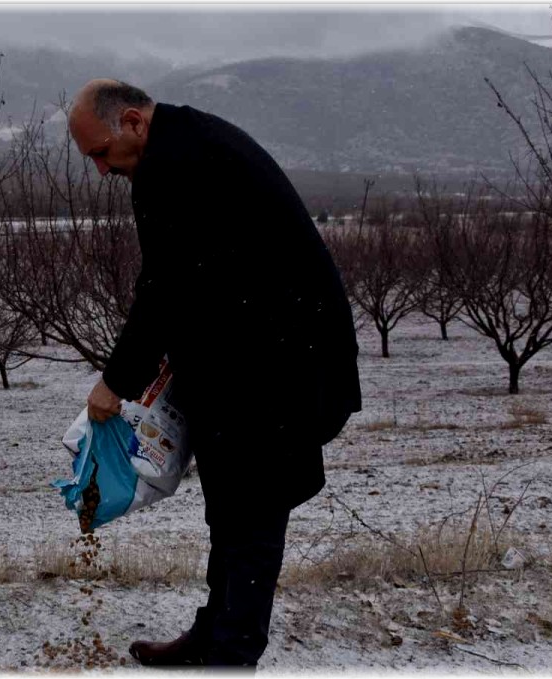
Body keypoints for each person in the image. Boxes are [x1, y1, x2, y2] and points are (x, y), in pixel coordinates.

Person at [69, 79, 362, 667]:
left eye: (100, 153)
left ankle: (232, 654)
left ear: (131, 121)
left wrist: (115, 383)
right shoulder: (186, 141)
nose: (101, 171)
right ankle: (214, 633)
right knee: (229, 504)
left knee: (251, 512)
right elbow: (203, 278)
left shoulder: (173, 163)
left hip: (279, 367)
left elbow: (164, 288)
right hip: (254, 357)